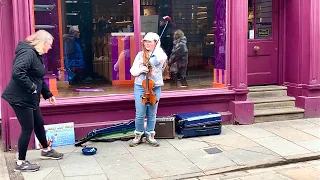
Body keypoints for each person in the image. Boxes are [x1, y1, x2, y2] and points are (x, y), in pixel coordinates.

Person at [1, 30, 64, 172]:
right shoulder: (28, 53)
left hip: (29, 97)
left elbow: (39, 77)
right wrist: (33, 88)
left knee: (39, 123)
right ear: (42, 42)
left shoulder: (36, 55)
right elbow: (17, 72)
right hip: (19, 98)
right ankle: (20, 162)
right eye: (50, 44)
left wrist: (47, 94)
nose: (50, 47)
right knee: (28, 128)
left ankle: (46, 150)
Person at [129, 32, 168, 147]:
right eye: (145, 41)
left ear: (155, 43)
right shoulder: (140, 55)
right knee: (140, 113)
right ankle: (138, 135)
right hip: (140, 87)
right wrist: (141, 70)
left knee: (152, 112)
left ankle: (150, 135)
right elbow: (133, 71)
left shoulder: (160, 55)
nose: (147, 44)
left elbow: (158, 60)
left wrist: (155, 52)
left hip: (155, 87)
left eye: (150, 41)